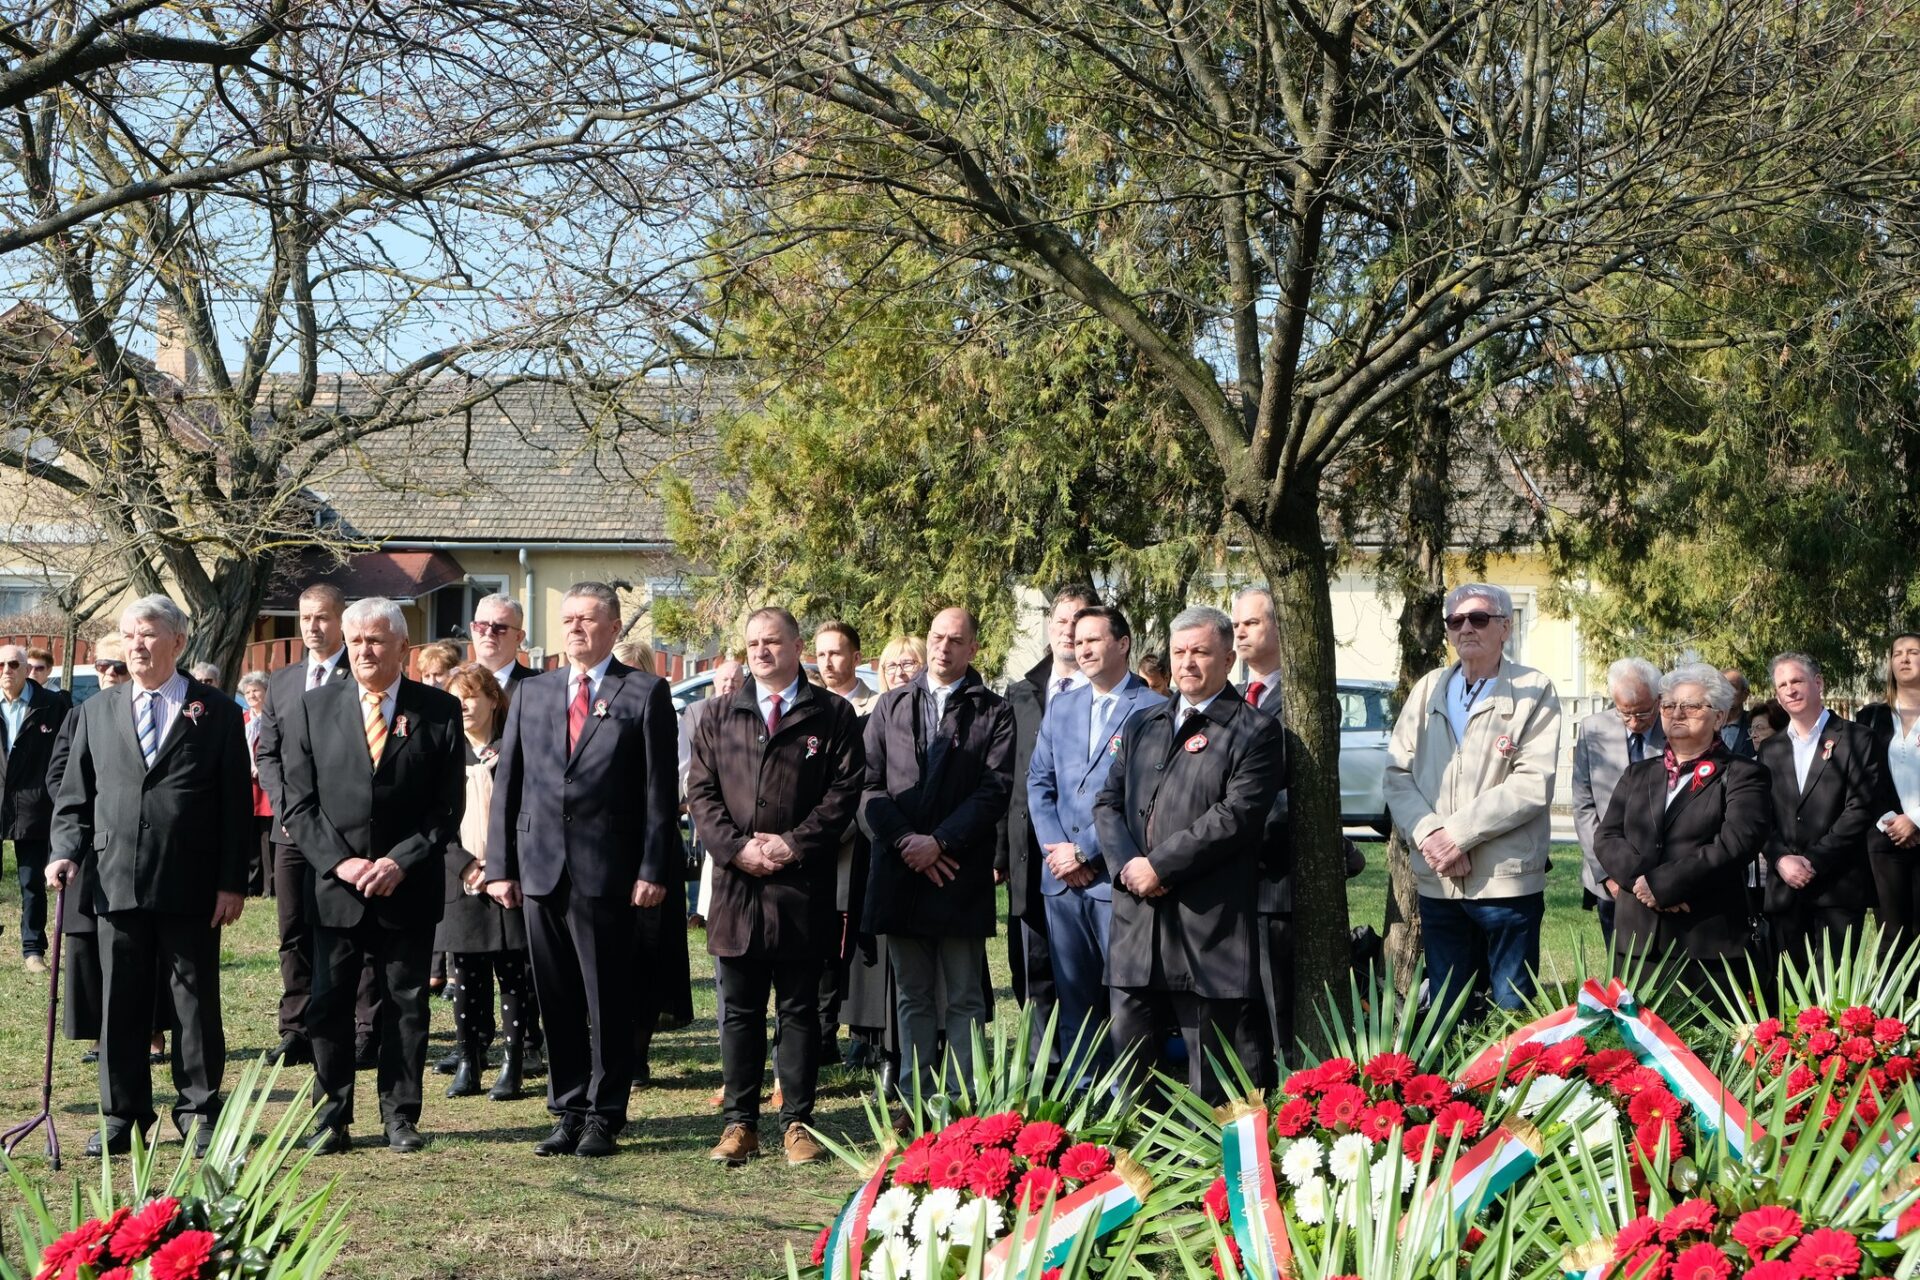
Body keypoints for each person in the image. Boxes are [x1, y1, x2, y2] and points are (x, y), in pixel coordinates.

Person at [46, 596, 250, 1157]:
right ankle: (122, 1114)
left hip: (191, 879)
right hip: (115, 876)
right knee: (121, 1002)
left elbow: (236, 806)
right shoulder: (97, 710)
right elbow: (73, 800)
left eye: (149, 634)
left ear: (179, 642)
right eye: (129, 635)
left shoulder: (217, 712)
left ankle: (198, 1110)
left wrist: (232, 881)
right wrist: (63, 851)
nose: (137, 645)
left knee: (193, 1001)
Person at [486, 581, 681, 1158]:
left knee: (607, 998)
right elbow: (509, 785)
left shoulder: (644, 692)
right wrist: (502, 865)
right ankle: (567, 1108)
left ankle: (605, 1113)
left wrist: (653, 867)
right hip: (541, 866)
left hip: (609, 871)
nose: (575, 629)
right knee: (557, 997)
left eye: (588, 620)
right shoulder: (534, 692)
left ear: (614, 627)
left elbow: (657, 792)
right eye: (567, 619)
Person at [279, 599, 465, 1155]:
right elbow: (298, 802)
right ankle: (331, 1116)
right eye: (356, 639)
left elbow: (446, 807)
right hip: (337, 884)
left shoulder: (438, 711)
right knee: (328, 1004)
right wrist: (342, 862)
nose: (364, 649)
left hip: (406, 885)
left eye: (376, 640)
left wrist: (398, 862)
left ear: (402, 648)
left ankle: (400, 1116)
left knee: (405, 1002)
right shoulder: (313, 708)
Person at [691, 607, 864, 1164]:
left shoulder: (833, 715)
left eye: (772, 642)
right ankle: (739, 1123)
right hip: (737, 888)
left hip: (800, 886)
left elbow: (844, 793)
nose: (762, 651)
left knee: (799, 1010)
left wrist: (792, 843)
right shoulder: (718, 714)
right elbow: (701, 793)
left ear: (797, 647)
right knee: (739, 1009)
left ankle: (797, 1123)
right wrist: (737, 849)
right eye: (752, 643)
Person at [1093, 605, 1282, 1103]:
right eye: (1179, 652)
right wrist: (1129, 868)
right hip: (1137, 924)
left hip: (1208, 928)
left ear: (1227, 657)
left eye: (1200, 652)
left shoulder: (1254, 731)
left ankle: (1213, 1178)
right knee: (1132, 1077)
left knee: (1217, 1083)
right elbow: (1107, 802)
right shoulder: (1143, 724)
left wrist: (1160, 865)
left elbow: (1236, 816)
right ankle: (1136, 1170)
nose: (1187, 663)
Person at [1383, 583, 1560, 1012]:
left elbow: (1532, 783)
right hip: (1439, 881)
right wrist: (1431, 835)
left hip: (1504, 881)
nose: (1466, 628)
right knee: (1446, 1007)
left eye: (1479, 618)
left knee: (1510, 1007)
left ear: (1505, 627)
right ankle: (1451, 1082)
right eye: (1456, 621)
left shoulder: (1533, 689)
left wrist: (1457, 835)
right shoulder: (1428, 689)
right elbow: (1396, 773)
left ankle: (1512, 1082)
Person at [860, 608, 1013, 1095]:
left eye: (955, 640)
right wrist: (908, 843)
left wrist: (941, 842)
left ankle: (966, 1103)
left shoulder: (994, 710)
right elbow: (869, 786)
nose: (942, 648)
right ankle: (914, 1097)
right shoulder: (892, 705)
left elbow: (995, 789)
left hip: (957, 870)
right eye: (936, 637)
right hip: (902, 869)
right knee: (912, 995)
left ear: (973, 649)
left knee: (965, 996)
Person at [1027, 604, 1160, 1076]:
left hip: (1114, 880)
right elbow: (1039, 784)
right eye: (1077, 640)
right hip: (1062, 883)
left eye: (1093, 639)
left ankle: (1129, 1099)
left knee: (1124, 1001)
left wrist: (1085, 850)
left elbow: (1142, 800)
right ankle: (1083, 1096)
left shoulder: (1151, 709)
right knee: (1074, 997)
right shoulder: (1062, 706)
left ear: (1123, 644)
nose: (1081, 648)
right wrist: (1059, 852)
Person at [1594, 663, 1770, 995]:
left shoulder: (1743, 774)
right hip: (1637, 944)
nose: (1677, 713)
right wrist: (1643, 882)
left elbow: (1738, 841)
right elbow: (1606, 837)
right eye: (1669, 705)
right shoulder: (1638, 774)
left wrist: (1666, 884)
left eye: (1690, 705)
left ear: (1718, 717)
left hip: (1704, 944)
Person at [253, 583, 358, 1067]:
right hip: (291, 831)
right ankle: (296, 1027)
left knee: (346, 931)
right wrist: (284, 806)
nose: (312, 627)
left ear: (340, 621)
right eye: (304, 618)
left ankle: (360, 1026)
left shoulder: (358, 675)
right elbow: (268, 752)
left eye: (322, 618)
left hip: (344, 830)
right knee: (292, 930)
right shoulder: (284, 681)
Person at [438, 665, 545, 1101]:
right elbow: (432, 818)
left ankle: (513, 1061)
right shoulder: (444, 751)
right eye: (455, 697)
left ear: (493, 700)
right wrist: (463, 864)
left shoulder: (514, 751)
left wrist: (504, 868)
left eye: (471, 696)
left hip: (509, 878)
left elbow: (529, 814)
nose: (463, 705)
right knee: (465, 973)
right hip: (461, 877)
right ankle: (468, 1060)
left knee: (514, 973)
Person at [1000, 586, 1098, 1022]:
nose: (1067, 632)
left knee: (1083, 971)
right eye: (1060, 621)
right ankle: (1045, 1069)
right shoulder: (1020, 694)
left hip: (1086, 857)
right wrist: (1000, 853)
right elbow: (1006, 779)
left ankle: (1088, 1065)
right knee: (1033, 969)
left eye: (1077, 623)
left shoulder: (1108, 694)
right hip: (1028, 853)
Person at [1759, 652, 1882, 962]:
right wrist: (1782, 859)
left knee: (1836, 997)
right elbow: (1760, 816)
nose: (1790, 690)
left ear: (1818, 683)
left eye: (1797, 680)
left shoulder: (1857, 739)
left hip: (1837, 887)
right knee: (1787, 993)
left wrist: (1812, 861)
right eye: (1782, 685)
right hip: (1784, 888)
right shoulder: (1771, 749)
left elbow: (1860, 808)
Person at [840, 636, 924, 1088]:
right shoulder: (873, 719)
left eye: (909, 663)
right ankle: (877, 1044)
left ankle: (908, 1053)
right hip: (879, 848)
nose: (899, 672)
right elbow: (862, 786)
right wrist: (890, 836)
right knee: (877, 960)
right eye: (891, 664)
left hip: (930, 851)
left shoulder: (932, 713)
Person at [55, 640, 132, 1064]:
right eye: (104, 665)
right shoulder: (83, 714)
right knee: (88, 944)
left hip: (142, 854)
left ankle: (152, 1034)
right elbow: (63, 779)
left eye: (117, 667)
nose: (110, 673)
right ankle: (99, 1034)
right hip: (91, 849)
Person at [1230, 585, 1295, 1075]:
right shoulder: (1231, 700)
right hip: (1227, 885)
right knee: (1240, 1011)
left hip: (1274, 879)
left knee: (1279, 1011)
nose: (1240, 631)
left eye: (1250, 622)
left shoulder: (1301, 701)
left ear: (1278, 625)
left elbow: (1284, 796)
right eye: (1235, 624)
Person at [811, 620, 875, 1065]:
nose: (827, 662)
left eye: (836, 653)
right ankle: (814, 1034)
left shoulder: (873, 708)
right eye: (820, 654)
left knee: (842, 948)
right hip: (804, 848)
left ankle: (835, 1031)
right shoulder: (809, 706)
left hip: (847, 846)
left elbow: (861, 784)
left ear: (856, 657)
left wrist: (829, 832)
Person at [1572, 658, 1665, 947]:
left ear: (1659, 699)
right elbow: (1584, 806)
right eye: (1625, 714)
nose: (1634, 722)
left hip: (1662, 873)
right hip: (1608, 873)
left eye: (1643, 713)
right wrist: (1608, 874)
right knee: (1620, 969)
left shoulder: (1674, 729)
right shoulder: (1593, 729)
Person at [0, 642, 72, 973]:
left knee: (31, 882)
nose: (6, 672)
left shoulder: (52, 705)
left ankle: (33, 948)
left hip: (33, 805)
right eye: (0, 665)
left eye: (13, 664)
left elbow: (66, 756)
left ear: (28, 668)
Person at [1858, 633, 1920, 938]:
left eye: (1913, 652)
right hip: (1885, 840)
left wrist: (1915, 819)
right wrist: (1891, 821)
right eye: (1898, 653)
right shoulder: (1870, 717)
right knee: (1892, 939)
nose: (1905, 659)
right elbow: (1859, 776)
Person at [238, 671, 276, 897]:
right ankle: (251, 885)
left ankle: (270, 887)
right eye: (248, 691)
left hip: (266, 785)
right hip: (246, 785)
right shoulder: (241, 720)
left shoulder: (272, 719)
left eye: (256, 690)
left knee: (267, 838)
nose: (252, 694)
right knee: (249, 836)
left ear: (266, 692)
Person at [471, 594, 538, 688]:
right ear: (472, 629)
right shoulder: (451, 685)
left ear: (518, 637)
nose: (489, 632)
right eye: (482, 625)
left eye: (500, 627)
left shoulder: (538, 687)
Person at [1720, 669, 1758, 759]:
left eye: (1731, 687)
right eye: (1721, 688)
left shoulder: (1756, 724)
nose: (1725, 692)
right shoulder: (1707, 726)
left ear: (1745, 694)